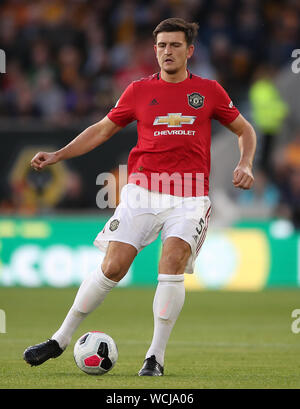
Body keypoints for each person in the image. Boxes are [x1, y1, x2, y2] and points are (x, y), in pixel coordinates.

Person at [23, 18, 256, 376]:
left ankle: (155, 357)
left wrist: (246, 163)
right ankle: (60, 339)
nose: (167, 51)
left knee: (172, 261)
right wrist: (58, 155)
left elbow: (245, 130)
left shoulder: (209, 91)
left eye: (175, 45)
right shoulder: (137, 91)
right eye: (161, 45)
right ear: (155, 50)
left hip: (189, 196)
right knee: (113, 266)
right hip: (142, 192)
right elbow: (102, 130)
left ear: (189, 51)